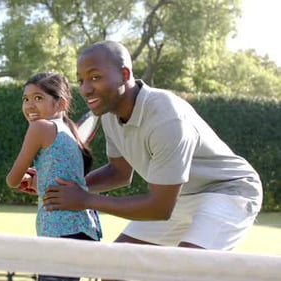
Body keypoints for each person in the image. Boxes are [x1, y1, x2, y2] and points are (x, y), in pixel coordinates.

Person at [42, 40, 263, 251]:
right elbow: (119, 173)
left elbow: (159, 207)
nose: (86, 89)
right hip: (177, 197)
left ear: (124, 74)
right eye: (81, 80)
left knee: (187, 271)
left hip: (228, 190)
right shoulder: (109, 113)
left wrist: (86, 199)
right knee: (114, 270)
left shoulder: (167, 116)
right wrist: (64, 187)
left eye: (95, 77)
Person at [6, 72, 102, 281]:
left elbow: (12, 179)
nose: (30, 105)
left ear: (60, 103)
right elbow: (63, 180)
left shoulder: (39, 127)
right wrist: (38, 182)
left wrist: (24, 177)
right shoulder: (69, 132)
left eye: (38, 98)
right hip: (84, 230)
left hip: (60, 235)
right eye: (26, 99)